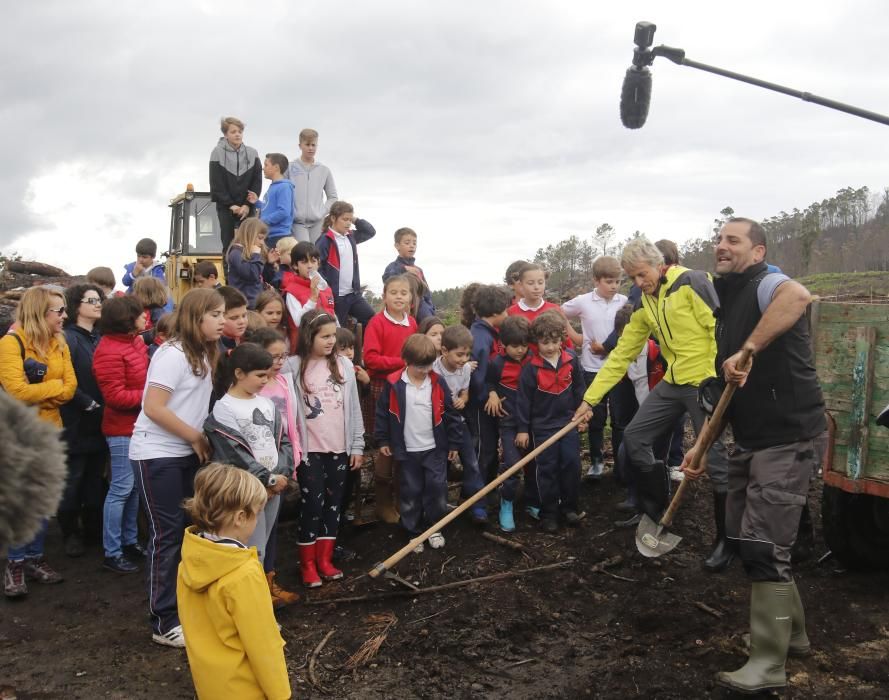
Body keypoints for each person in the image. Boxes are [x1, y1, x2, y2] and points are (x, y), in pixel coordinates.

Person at [681, 218, 826, 694]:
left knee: (765, 544)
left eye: (732, 240)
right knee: (749, 540)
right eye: (718, 239)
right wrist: (701, 447)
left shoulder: (768, 286)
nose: (720, 246)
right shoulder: (729, 302)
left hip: (787, 436)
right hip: (750, 437)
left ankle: (769, 662)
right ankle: (793, 635)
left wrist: (748, 347)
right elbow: (728, 391)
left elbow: (799, 297)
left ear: (758, 251)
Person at [572, 237, 732, 571]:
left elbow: (720, 328)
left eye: (642, 274)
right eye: (632, 278)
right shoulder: (646, 303)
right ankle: (652, 509)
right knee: (635, 437)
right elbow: (621, 356)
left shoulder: (691, 283)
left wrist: (720, 376)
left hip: (705, 381)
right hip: (674, 381)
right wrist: (589, 399)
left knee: (715, 461)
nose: (639, 283)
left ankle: (727, 541)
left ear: (658, 265)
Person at [129, 288, 224, 648]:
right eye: (214, 315)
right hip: (157, 453)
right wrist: (195, 437)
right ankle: (163, 621)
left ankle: (185, 607)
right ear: (195, 317)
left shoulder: (204, 352)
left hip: (184, 453)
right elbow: (154, 407)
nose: (222, 320)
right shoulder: (173, 354)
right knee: (166, 534)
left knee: (189, 530)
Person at [177, 463, 290, 700]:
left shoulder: (189, 559)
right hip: (245, 690)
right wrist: (281, 694)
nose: (258, 520)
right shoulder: (245, 573)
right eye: (257, 513)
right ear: (240, 517)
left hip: (211, 687)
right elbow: (263, 646)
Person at [0, 286, 76, 597]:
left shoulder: (60, 342)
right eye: (58, 311)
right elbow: (16, 392)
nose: (65, 316)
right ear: (38, 313)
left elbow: (71, 388)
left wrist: (49, 390)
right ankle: (15, 563)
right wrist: (54, 388)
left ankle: (34, 557)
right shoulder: (10, 343)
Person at [288, 310, 364, 586]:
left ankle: (325, 559)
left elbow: (353, 409)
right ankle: (307, 563)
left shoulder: (343, 366)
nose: (331, 341)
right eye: (325, 336)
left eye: (334, 335)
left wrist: (356, 445)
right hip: (310, 452)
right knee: (312, 504)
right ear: (309, 336)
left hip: (339, 449)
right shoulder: (292, 366)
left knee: (334, 505)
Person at [204, 344, 295, 571]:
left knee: (261, 545)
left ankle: (259, 597)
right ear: (239, 373)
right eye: (260, 375)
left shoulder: (267, 404)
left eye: (268, 374)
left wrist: (281, 474)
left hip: (272, 487)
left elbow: (283, 441)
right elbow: (233, 452)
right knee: (250, 549)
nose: (266, 380)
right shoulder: (224, 408)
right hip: (246, 490)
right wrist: (268, 479)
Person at [375, 334, 460, 552]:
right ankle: (413, 532)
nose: (424, 370)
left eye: (428, 365)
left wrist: (453, 443)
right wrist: (383, 439)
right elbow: (383, 414)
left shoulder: (437, 382)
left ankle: (434, 527)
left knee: (437, 489)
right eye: (419, 366)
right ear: (406, 360)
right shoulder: (394, 384)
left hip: (435, 448)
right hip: (407, 450)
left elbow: (450, 414)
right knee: (410, 491)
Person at [93, 295, 149, 575]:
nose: (145, 318)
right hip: (121, 430)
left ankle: (129, 541)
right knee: (121, 489)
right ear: (127, 319)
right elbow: (115, 397)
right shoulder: (109, 351)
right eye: (140, 314)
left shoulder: (134, 342)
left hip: (138, 427)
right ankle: (112, 552)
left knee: (135, 488)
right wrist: (152, 396)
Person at [516, 311, 586, 533]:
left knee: (571, 464)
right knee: (546, 469)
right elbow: (523, 402)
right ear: (536, 342)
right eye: (545, 342)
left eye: (555, 341)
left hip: (568, 423)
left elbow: (579, 389)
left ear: (562, 339)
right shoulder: (530, 368)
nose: (550, 347)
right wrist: (523, 430)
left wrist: (581, 414)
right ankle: (549, 513)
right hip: (542, 427)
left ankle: (570, 508)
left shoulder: (571, 360)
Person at [248, 327, 302, 606]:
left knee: (271, 528)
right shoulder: (253, 389)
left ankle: (269, 581)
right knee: (254, 531)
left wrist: (293, 458)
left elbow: (291, 424)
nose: (279, 362)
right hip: (257, 470)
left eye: (284, 356)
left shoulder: (284, 380)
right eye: (274, 356)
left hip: (282, 462)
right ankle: (254, 592)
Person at [561, 256, 627, 480]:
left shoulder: (624, 302)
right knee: (595, 418)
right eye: (609, 281)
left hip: (619, 370)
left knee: (619, 419)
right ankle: (597, 462)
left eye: (617, 281)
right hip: (591, 369)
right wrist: (576, 337)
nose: (614, 286)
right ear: (596, 280)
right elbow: (558, 313)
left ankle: (621, 464)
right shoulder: (583, 301)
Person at [58, 284, 107, 558]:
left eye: (99, 300)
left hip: (101, 420)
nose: (98, 304)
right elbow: (63, 378)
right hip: (75, 420)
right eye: (91, 300)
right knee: (73, 478)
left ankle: (93, 530)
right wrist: (86, 402)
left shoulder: (100, 338)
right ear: (77, 305)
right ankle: (69, 533)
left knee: (94, 478)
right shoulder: (67, 338)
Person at [363, 275, 417, 523]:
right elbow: (371, 359)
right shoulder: (376, 323)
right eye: (393, 292)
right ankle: (383, 504)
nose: (398, 297)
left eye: (403, 293)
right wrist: (402, 363)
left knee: (405, 440)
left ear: (410, 298)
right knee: (386, 443)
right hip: (383, 387)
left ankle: (400, 499)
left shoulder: (412, 324)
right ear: (384, 296)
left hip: (407, 388)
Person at [432, 324, 486, 523]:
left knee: (471, 463)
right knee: (441, 467)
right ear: (444, 351)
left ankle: (478, 506)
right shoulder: (433, 370)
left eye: (467, 355)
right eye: (460, 355)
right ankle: (440, 507)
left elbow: (465, 390)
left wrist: (463, 399)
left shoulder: (464, 369)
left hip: (459, 422)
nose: (464, 360)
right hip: (439, 424)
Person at [484, 315, 532, 532]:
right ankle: (507, 502)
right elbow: (489, 381)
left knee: (536, 463)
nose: (520, 350)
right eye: (514, 346)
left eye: (524, 345)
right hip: (509, 422)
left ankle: (534, 500)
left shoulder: (534, 359)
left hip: (532, 421)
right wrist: (493, 394)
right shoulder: (497, 363)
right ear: (503, 344)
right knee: (512, 464)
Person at [464, 284, 511, 497]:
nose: (508, 314)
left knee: (490, 448)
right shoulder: (480, 338)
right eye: (505, 311)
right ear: (494, 313)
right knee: (484, 449)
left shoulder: (490, 333)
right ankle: (474, 498)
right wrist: (488, 397)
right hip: (480, 407)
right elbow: (476, 376)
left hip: (488, 404)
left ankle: (487, 491)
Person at [209, 116, 262, 277]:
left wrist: (247, 205)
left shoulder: (252, 153)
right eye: (233, 132)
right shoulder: (217, 152)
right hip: (226, 208)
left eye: (239, 131)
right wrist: (231, 205)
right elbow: (216, 183)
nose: (237, 135)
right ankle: (229, 279)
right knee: (229, 243)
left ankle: (251, 276)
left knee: (250, 242)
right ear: (226, 135)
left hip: (247, 208)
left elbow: (256, 181)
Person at [315, 201, 376, 327]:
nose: (348, 223)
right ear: (333, 218)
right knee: (338, 329)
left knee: (371, 318)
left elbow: (370, 232)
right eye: (344, 219)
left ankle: (359, 345)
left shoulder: (351, 236)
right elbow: (318, 268)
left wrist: (355, 219)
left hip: (353, 294)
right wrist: (327, 290)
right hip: (337, 297)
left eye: (350, 219)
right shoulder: (325, 240)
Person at [508, 262, 578, 350]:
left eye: (540, 282)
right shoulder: (511, 312)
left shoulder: (555, 309)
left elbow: (565, 341)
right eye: (530, 283)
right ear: (521, 285)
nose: (536, 287)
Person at [280, 241, 337, 351]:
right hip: (304, 349)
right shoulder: (292, 291)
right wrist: (313, 299)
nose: (310, 265)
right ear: (295, 266)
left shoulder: (325, 287)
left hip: (327, 347)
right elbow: (298, 321)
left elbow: (331, 313)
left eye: (313, 261)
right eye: (304, 262)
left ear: (318, 263)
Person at [288, 128, 338, 242]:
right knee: (304, 253)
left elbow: (333, 197)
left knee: (317, 256)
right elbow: (284, 192)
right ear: (300, 145)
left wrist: (322, 212)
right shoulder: (290, 167)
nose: (311, 148)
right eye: (307, 144)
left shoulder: (324, 170)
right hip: (297, 222)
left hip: (317, 223)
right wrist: (291, 212)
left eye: (314, 145)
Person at [382, 227, 436, 321]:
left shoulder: (418, 270)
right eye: (407, 243)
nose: (412, 246)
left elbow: (426, 292)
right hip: (401, 306)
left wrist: (431, 307)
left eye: (414, 243)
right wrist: (403, 269)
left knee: (430, 322)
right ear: (397, 246)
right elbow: (387, 279)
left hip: (421, 307)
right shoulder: (393, 266)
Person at [247, 152, 295, 249]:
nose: (263, 168)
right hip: (270, 235)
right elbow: (270, 208)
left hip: (279, 236)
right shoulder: (273, 187)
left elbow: (283, 211)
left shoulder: (284, 187)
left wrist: (262, 221)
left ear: (276, 167)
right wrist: (257, 202)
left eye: (266, 165)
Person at [225, 218, 266, 309]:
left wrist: (270, 264)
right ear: (249, 235)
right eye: (260, 238)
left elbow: (260, 275)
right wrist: (256, 255)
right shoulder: (236, 253)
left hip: (255, 302)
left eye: (263, 239)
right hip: (245, 305)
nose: (262, 243)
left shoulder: (251, 254)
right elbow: (252, 274)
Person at [123, 238, 172, 312]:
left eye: (144, 257)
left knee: (169, 300)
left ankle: (164, 319)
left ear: (153, 257)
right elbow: (125, 282)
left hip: (152, 299)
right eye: (138, 256)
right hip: (134, 299)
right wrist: (134, 273)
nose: (140, 259)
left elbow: (161, 285)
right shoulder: (132, 267)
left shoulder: (157, 268)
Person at [218, 286, 249, 352]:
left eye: (244, 315)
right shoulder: (216, 348)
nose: (242, 321)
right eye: (234, 318)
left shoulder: (251, 338)